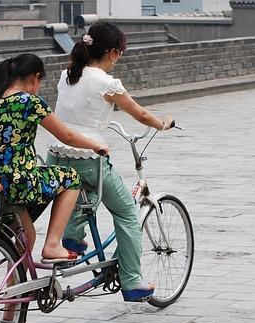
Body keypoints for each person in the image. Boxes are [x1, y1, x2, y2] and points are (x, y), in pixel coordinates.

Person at [47, 21, 174, 302]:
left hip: (56, 154)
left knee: (84, 190)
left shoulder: (67, 74)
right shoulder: (107, 83)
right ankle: (131, 281)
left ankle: (71, 237)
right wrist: (162, 123)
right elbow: (140, 115)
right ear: (113, 52)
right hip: (88, 156)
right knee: (127, 212)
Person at [0, 53, 109, 263]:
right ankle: (53, 245)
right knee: (71, 178)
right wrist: (96, 145)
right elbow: (67, 136)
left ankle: (12, 291)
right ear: (34, 77)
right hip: (16, 180)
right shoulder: (29, 102)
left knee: (27, 236)